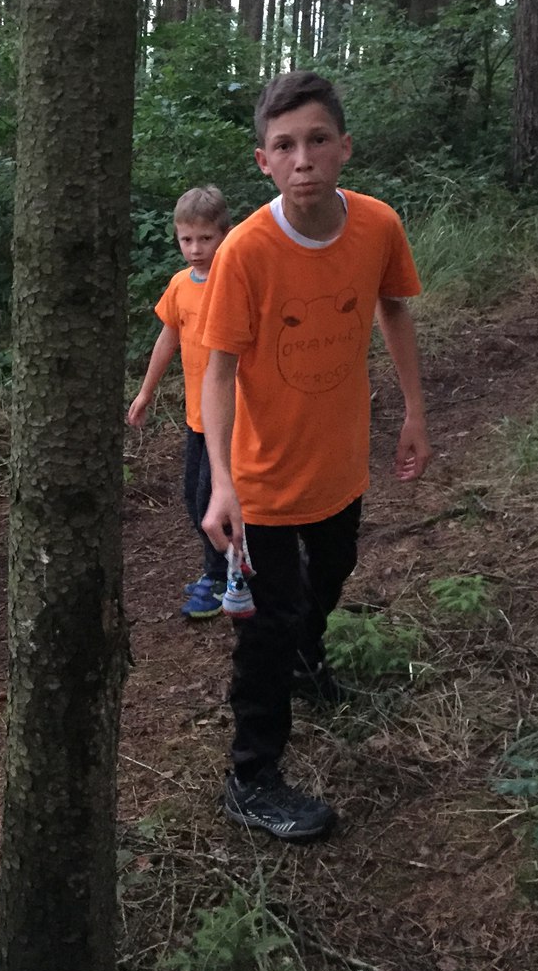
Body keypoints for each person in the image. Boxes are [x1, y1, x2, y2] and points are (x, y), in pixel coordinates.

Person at [200, 72, 432, 842]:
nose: (303, 159)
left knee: (332, 570)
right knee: (267, 624)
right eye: (285, 145)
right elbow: (218, 371)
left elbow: (393, 307)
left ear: (344, 148)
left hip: (339, 461)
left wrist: (414, 412)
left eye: (317, 140)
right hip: (261, 481)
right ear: (263, 161)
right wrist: (222, 482)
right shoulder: (245, 252)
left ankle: (308, 656)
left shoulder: (377, 226)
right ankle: (250, 777)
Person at [126, 186, 233, 619]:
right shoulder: (179, 285)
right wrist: (145, 391)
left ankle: (223, 577)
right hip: (196, 417)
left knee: (211, 497)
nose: (195, 249)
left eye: (205, 238)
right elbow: (167, 338)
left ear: (225, 234)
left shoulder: (234, 281)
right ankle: (226, 565)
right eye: (186, 239)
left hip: (233, 416)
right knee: (193, 495)